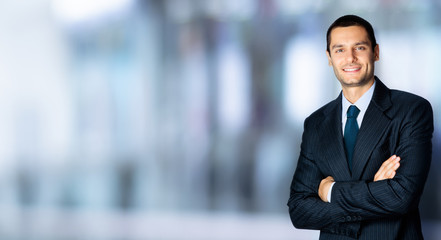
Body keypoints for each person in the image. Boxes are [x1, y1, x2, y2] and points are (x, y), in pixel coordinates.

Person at [287, 15, 433, 239]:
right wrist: (373, 190)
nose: (350, 58)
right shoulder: (316, 124)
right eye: (340, 50)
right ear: (329, 58)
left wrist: (330, 191)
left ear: (375, 52)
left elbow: (401, 196)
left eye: (359, 47)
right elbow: (300, 211)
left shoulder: (411, 111)